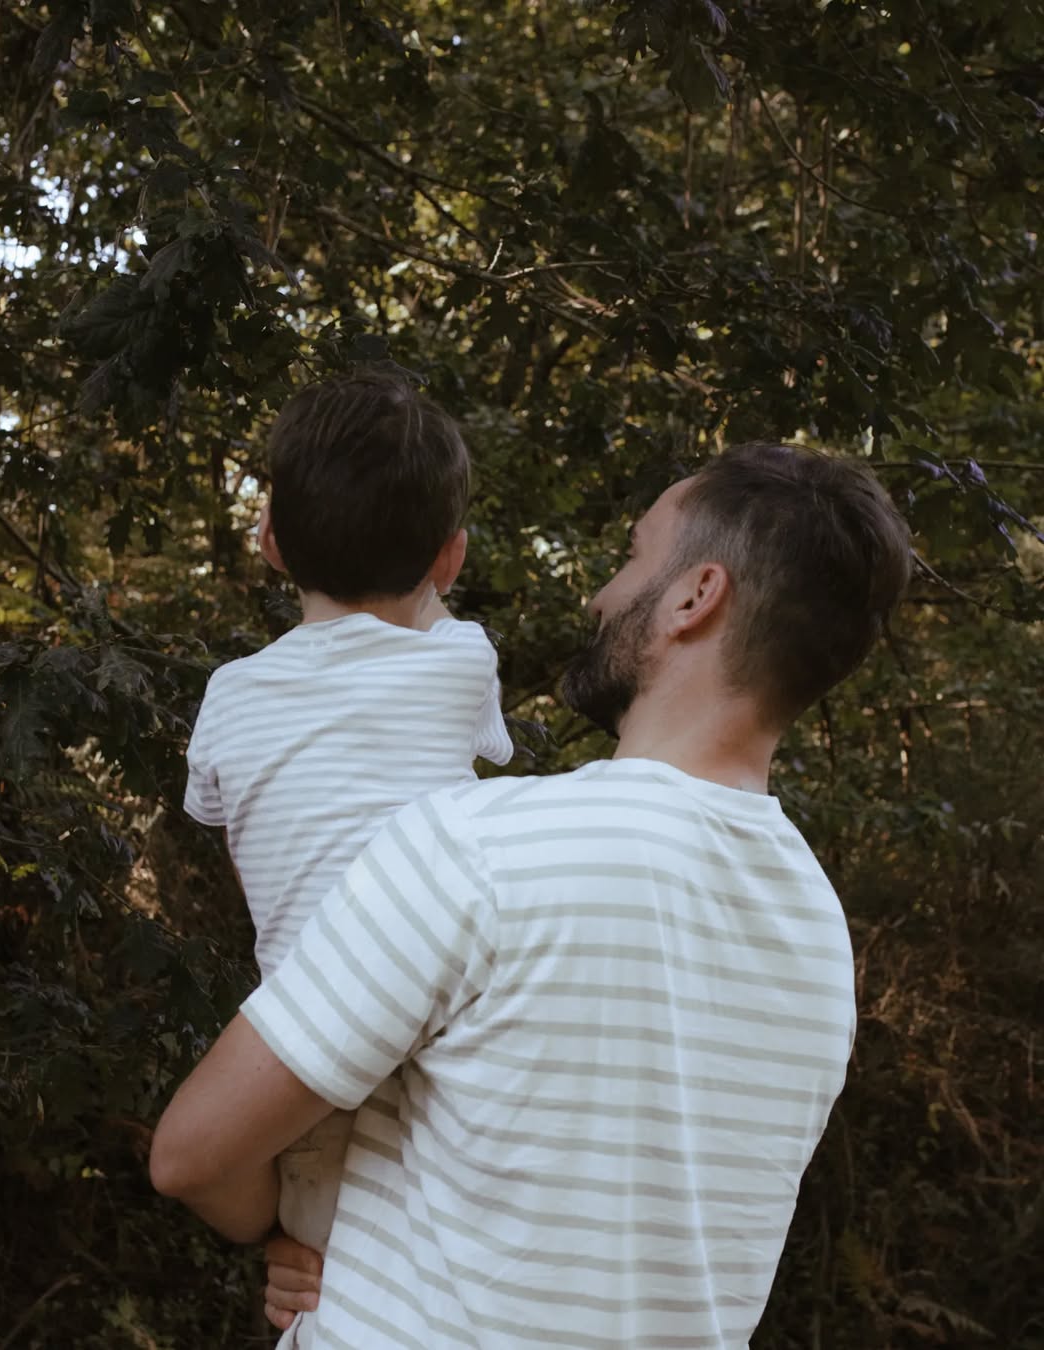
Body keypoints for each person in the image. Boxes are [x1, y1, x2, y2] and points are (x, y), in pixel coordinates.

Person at [151, 441, 913, 1350]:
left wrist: (288, 1230)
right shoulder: (820, 935)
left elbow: (192, 1155)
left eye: (635, 555)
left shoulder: (478, 848)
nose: (602, 595)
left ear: (692, 597)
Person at [181, 371, 512, 1265]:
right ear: (449, 558)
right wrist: (428, 576)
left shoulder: (230, 696)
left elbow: (217, 811)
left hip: (303, 1049)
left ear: (270, 541)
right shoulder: (462, 663)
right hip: (448, 1039)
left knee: (327, 1261)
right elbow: (439, 635)